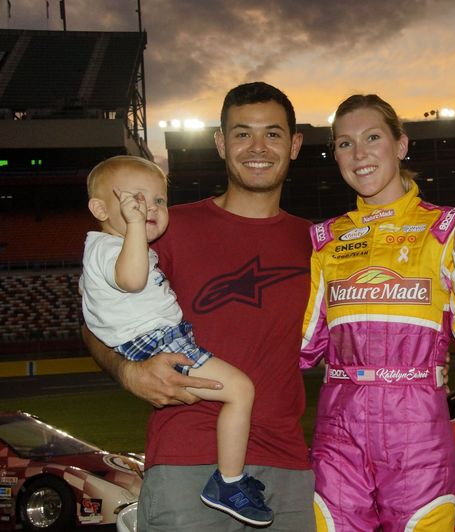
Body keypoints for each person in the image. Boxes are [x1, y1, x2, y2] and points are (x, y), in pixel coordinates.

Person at [82, 82, 315, 531]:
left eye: (273, 133)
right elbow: (95, 319)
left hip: (285, 466)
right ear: (220, 143)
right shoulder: (162, 226)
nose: (258, 147)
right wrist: (128, 372)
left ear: (295, 144)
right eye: (242, 133)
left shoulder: (316, 242)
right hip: (186, 461)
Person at [300, 94, 455, 531]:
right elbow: (301, 350)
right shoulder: (325, 240)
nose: (359, 154)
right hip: (339, 432)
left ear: (400, 145)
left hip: (418, 432)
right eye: (344, 143)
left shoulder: (449, 229)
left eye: (372, 137)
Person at [80, 155, 273, 527]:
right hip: (155, 340)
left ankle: (229, 480)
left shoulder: (109, 248)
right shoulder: (109, 247)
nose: (148, 208)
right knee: (241, 389)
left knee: (236, 389)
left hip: (157, 336)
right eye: (135, 199)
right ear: (101, 208)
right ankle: (228, 482)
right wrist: (136, 227)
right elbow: (133, 280)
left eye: (158, 201)